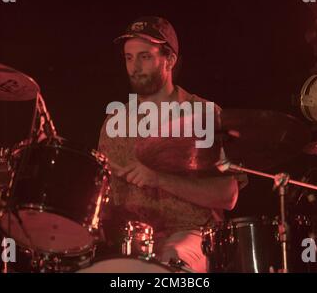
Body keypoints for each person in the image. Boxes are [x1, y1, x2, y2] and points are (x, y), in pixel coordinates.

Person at [97, 16, 239, 272]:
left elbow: (228, 196)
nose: (134, 67)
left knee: (167, 264)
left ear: (170, 60)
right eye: (128, 58)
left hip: (193, 236)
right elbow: (101, 201)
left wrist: (158, 179)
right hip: (132, 241)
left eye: (145, 57)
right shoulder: (114, 123)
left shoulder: (205, 115)